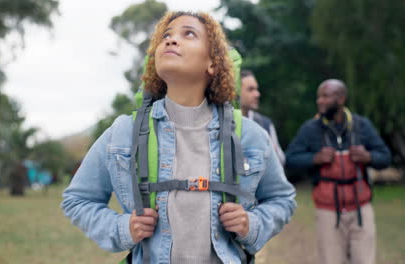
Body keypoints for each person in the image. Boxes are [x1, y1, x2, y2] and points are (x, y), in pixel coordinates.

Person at [62, 11, 296, 264]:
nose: (171, 40)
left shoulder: (249, 134)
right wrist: (122, 228)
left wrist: (252, 223)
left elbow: (282, 199)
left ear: (213, 63)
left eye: (189, 34)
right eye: (166, 35)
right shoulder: (123, 133)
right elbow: (77, 200)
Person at [285, 79, 391, 264]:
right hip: (327, 212)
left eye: (325, 96)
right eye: (319, 97)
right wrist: (314, 158)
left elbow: (385, 157)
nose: (319, 101)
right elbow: (290, 160)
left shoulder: (361, 126)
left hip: (361, 209)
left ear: (341, 99)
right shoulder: (310, 129)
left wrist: (369, 157)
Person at [240, 70, 285, 165]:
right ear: (235, 91)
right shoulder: (222, 123)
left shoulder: (265, 123)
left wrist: (271, 150)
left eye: (256, 89)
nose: (257, 94)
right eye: (250, 89)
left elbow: (281, 161)